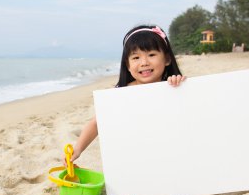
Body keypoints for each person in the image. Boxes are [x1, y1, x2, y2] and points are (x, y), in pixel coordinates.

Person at [67, 24, 186, 164]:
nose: (144, 62)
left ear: (167, 59)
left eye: (152, 55)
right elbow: (97, 123)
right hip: (134, 159)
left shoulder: (173, 87)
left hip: (169, 155)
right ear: (128, 65)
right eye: (136, 58)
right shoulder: (120, 94)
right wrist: (78, 149)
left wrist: (179, 85)